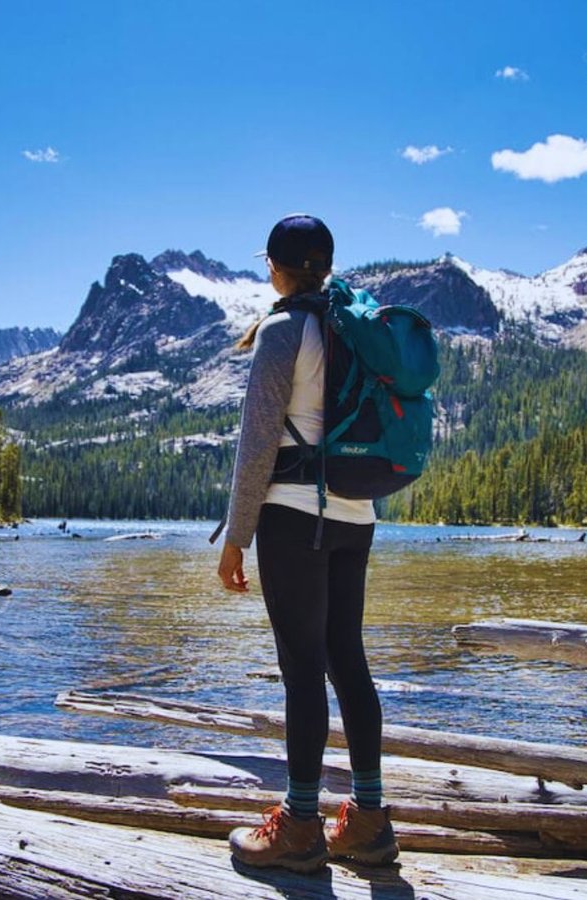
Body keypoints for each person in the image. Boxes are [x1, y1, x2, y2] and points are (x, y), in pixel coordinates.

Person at [216, 213, 399, 871]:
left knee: (301, 668)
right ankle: (370, 821)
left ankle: (299, 825)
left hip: (294, 518)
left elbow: (258, 441)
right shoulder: (352, 328)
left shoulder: (284, 330)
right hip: (357, 516)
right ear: (324, 263)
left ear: (274, 266)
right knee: (347, 658)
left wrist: (236, 538)